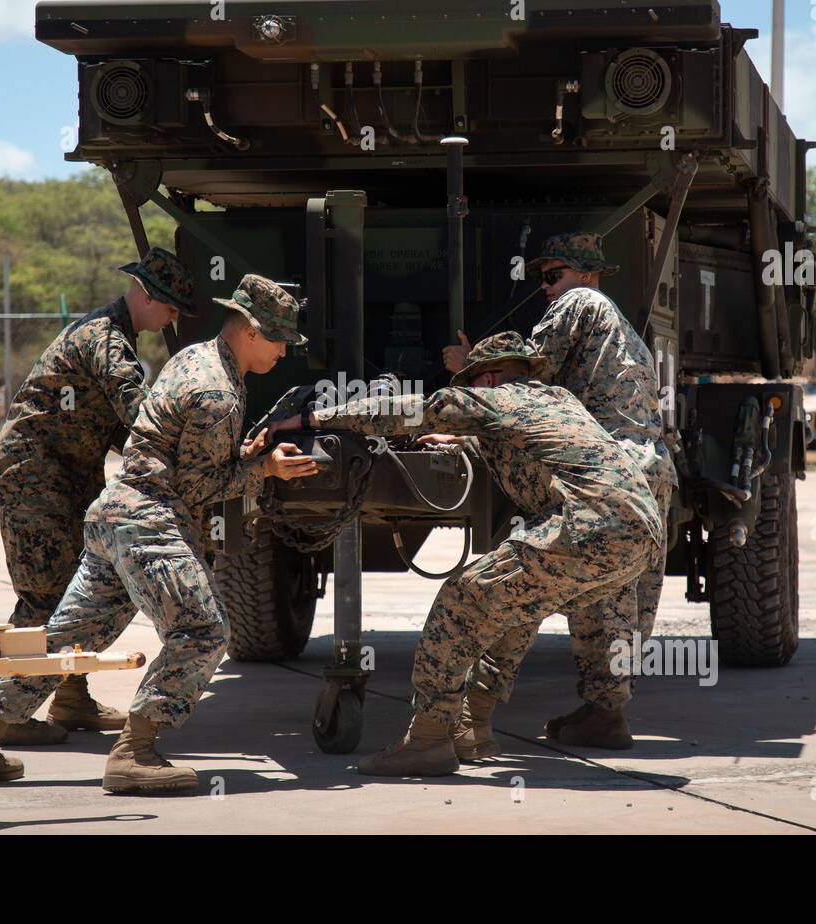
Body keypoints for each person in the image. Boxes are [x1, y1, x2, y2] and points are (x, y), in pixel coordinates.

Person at [0, 275, 319, 793]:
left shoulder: (194, 357)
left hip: (113, 518)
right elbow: (198, 485)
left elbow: (182, 454)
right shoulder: (218, 392)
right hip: (149, 522)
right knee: (204, 631)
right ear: (252, 331)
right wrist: (267, 471)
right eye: (280, 340)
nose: (284, 352)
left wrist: (245, 457)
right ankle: (135, 753)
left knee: (64, 641)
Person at [274, 332, 661, 776]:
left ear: (489, 377)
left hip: (590, 524)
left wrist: (309, 419)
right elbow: (520, 441)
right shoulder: (556, 400)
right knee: (516, 606)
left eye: (470, 385)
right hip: (639, 533)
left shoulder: (499, 398)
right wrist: (463, 440)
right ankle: (485, 725)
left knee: (459, 602)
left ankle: (428, 739)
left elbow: (411, 410)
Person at [443, 231, 678, 752]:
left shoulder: (581, 302)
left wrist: (469, 374)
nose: (546, 288)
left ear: (586, 275)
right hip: (649, 468)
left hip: (610, 472)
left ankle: (485, 711)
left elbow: (532, 371)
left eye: (553, 275)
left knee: (559, 589)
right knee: (624, 601)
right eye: (543, 279)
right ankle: (606, 712)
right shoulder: (614, 326)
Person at [0, 246, 197, 746]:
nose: (171, 318)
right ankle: (4, 715)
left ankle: (71, 699)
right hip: (33, 480)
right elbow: (138, 410)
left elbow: (122, 431)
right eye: (167, 306)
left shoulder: (112, 335)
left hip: (64, 479)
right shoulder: (106, 341)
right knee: (42, 596)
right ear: (142, 293)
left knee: (72, 594)